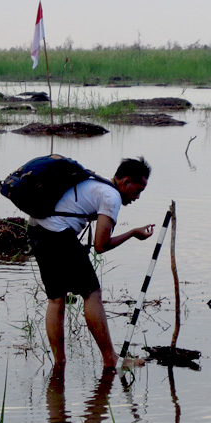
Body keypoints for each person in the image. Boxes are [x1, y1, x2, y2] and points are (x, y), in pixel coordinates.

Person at [27, 157, 155, 375]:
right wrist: (133, 233)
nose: (137, 197)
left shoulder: (96, 184)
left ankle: (59, 363)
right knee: (92, 293)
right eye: (137, 189)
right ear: (124, 182)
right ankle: (110, 359)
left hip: (36, 228)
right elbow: (101, 245)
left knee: (56, 298)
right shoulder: (111, 195)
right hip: (57, 233)